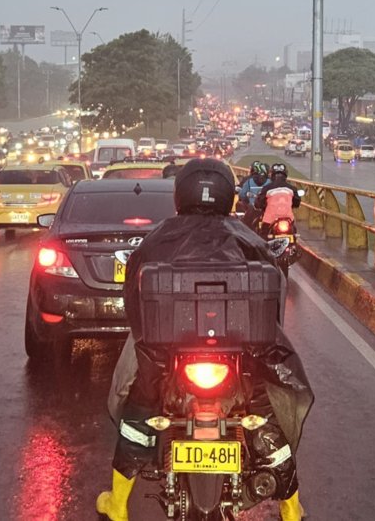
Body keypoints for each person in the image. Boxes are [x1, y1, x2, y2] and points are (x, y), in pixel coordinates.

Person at [97, 159, 311, 521]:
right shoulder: (246, 235)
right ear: (228, 195)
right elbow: (272, 299)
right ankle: (291, 509)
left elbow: (132, 299)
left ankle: (118, 505)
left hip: (167, 354)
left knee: (138, 410)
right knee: (264, 414)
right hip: (239, 353)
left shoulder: (158, 236)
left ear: (181, 194)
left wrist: (148, 336)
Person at [254, 162, 301, 231]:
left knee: (262, 237)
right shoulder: (292, 189)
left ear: (272, 175)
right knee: (294, 233)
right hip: (288, 220)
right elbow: (297, 203)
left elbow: (258, 204)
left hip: (269, 221)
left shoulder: (267, 188)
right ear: (285, 175)